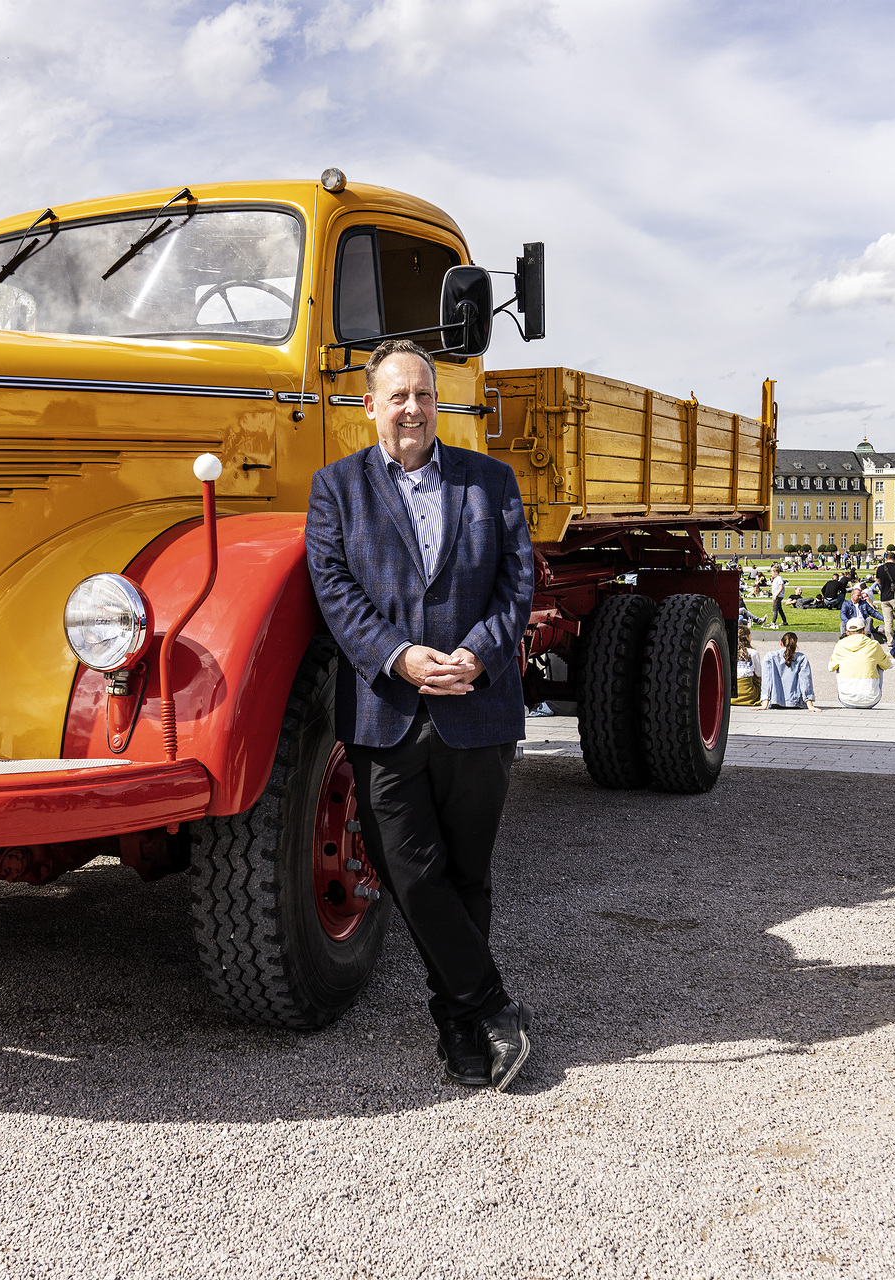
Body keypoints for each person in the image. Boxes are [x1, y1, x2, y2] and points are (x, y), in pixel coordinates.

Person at [305, 338, 535, 1092]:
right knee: (412, 873)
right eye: (397, 396)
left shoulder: (491, 482)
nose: (412, 408)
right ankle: (494, 1006)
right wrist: (398, 656)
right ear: (368, 405)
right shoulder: (335, 489)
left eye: (424, 396)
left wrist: (479, 653)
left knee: (468, 873)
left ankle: (457, 1027)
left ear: (440, 403)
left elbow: (517, 584)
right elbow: (334, 590)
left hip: (477, 706)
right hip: (386, 712)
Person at [828, 617, 892, 709]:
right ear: (864, 631)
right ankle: (869, 691)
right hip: (871, 699)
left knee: (838, 664)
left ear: (847, 632)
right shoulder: (873, 644)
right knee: (880, 664)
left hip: (846, 700)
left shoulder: (840, 645)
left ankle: (847, 690)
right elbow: (886, 665)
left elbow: (831, 667)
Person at [761, 632, 820, 711]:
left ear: (781, 642)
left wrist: (765, 703)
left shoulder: (770, 656)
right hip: (796, 702)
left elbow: (767, 680)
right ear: (795, 644)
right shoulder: (801, 658)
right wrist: (810, 705)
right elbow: (805, 681)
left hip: (774, 701)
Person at [874, 550, 895, 643]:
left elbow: (878, 581)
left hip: (884, 597)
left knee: (888, 621)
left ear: (886, 558)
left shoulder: (880, 568)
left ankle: (890, 641)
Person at [732, 626, 763, 707]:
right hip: (749, 693)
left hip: (731, 692)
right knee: (757, 679)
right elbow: (759, 674)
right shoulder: (753, 652)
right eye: (750, 636)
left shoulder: (731, 651)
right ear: (746, 637)